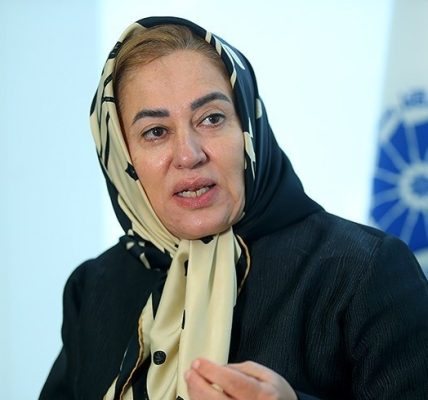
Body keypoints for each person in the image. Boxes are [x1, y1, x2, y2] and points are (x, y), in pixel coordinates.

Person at [39, 16, 428, 400]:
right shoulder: (94, 288)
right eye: (155, 132)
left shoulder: (363, 270)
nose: (189, 155)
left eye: (211, 119)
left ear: (248, 129)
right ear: (123, 158)